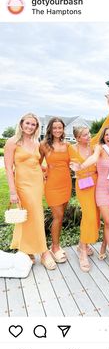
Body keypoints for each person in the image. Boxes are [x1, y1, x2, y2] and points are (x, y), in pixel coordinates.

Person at [68, 92, 109, 272]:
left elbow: (106, 123)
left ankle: (85, 243)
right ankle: (81, 251)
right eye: (85, 135)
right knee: (88, 216)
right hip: (82, 186)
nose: (89, 136)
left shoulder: (95, 143)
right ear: (78, 137)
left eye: (89, 134)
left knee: (95, 217)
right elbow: (58, 162)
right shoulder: (70, 149)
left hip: (97, 184)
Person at [4, 113, 56, 270]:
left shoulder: (35, 142)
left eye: (33, 124)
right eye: (27, 123)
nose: (30, 126)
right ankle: (44, 252)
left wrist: (47, 169)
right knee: (34, 216)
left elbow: (35, 162)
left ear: (36, 127)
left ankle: (27, 251)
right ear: (21, 123)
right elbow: (8, 168)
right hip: (22, 184)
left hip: (37, 183)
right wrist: (13, 191)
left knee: (32, 216)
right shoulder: (12, 142)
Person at [74, 126, 109, 272]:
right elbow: (93, 158)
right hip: (101, 190)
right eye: (107, 134)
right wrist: (81, 166)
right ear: (104, 137)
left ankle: (103, 246)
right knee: (107, 220)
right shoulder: (100, 149)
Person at [39, 118, 72, 263]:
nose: (57, 130)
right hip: (52, 186)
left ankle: (55, 245)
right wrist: (46, 171)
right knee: (57, 216)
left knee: (61, 215)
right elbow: (36, 163)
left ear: (63, 129)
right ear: (50, 130)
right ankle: (55, 247)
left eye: (60, 128)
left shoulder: (68, 145)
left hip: (66, 184)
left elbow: (73, 162)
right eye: (55, 128)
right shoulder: (44, 145)